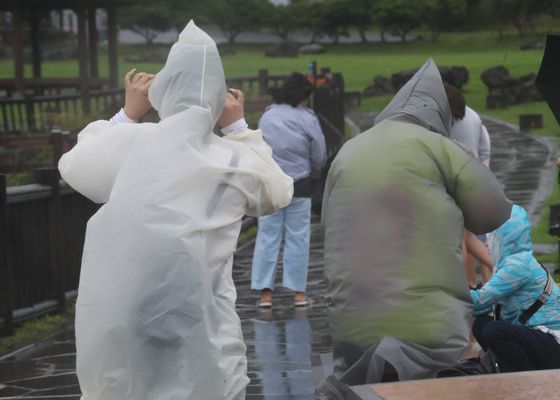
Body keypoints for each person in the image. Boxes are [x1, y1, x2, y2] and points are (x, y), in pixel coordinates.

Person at [59, 21, 293, 400]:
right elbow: (277, 190)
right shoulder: (233, 158)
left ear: (163, 91)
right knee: (211, 377)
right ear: (218, 99)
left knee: (124, 381)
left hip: (126, 302)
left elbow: (75, 165)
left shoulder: (134, 141)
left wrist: (127, 114)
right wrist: (237, 128)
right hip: (201, 305)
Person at [320, 58, 512, 387]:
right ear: (437, 113)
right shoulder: (440, 147)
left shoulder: (348, 151)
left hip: (350, 322)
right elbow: (494, 212)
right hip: (428, 325)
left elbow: (327, 220)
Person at [251, 73, 327, 308]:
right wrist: (316, 169)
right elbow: (319, 150)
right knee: (298, 236)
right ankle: (298, 294)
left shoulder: (268, 116)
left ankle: (265, 295)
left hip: (270, 183)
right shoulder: (307, 118)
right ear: (303, 97)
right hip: (300, 183)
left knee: (267, 235)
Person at [470, 204, 560, 372]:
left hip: (554, 344)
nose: (487, 243)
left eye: (491, 236)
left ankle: (526, 382)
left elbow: (479, 300)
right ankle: (508, 369)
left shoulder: (518, 266)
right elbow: (485, 305)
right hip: (542, 337)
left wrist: (444, 292)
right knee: (482, 324)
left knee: (495, 331)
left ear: (505, 237)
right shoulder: (515, 261)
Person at [448, 86, 494, 288]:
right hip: (476, 179)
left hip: (454, 182)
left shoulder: (444, 122)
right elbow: (485, 147)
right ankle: (494, 272)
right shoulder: (474, 116)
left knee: (461, 238)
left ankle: (468, 283)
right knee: (470, 236)